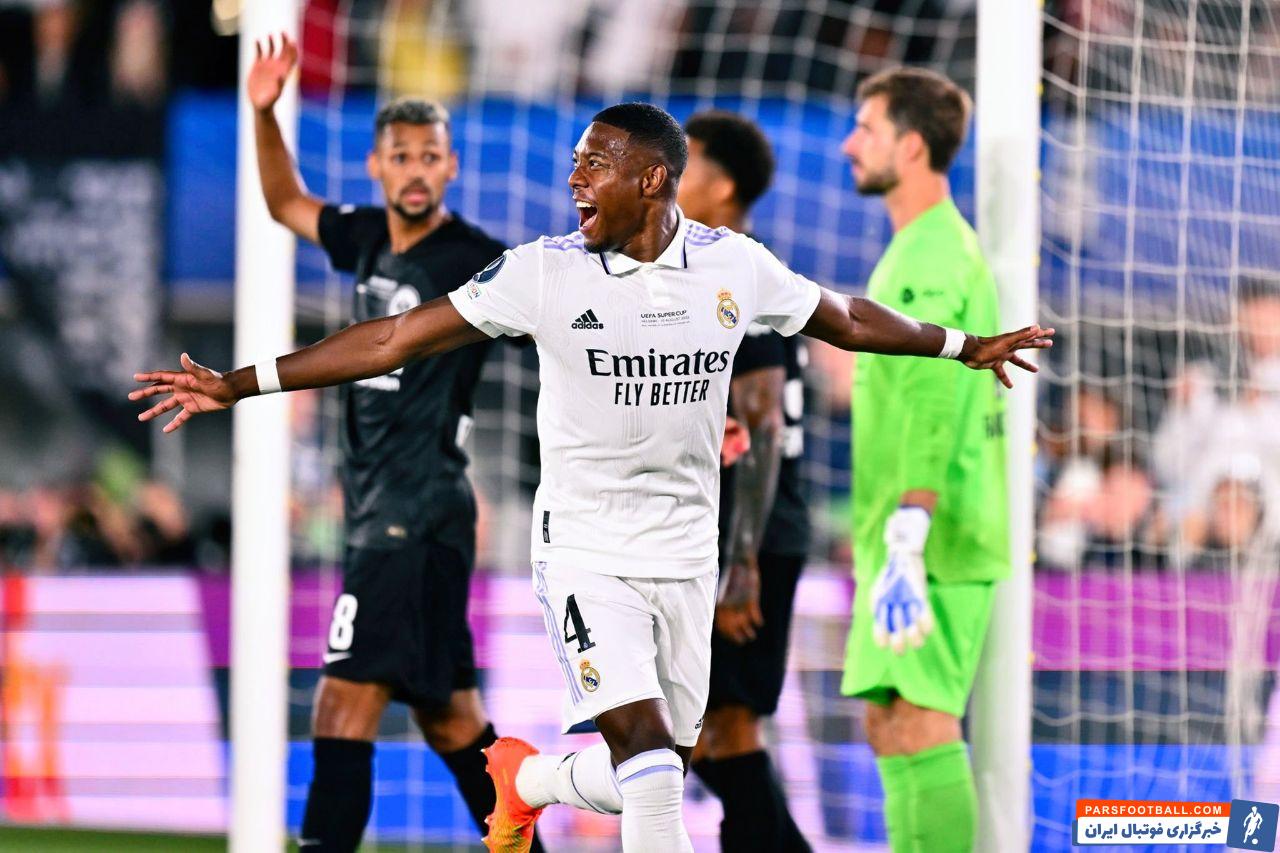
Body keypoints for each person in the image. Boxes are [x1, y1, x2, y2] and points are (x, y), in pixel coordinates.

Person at [130, 101, 1051, 853]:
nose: (574, 179)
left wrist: (964, 345)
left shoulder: (731, 266)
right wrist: (240, 383)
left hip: (685, 555)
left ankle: (527, 777)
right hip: (585, 550)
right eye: (574, 163)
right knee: (649, 765)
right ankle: (532, 779)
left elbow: (844, 316)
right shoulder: (544, 273)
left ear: (652, 180)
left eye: (594, 164)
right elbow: (393, 338)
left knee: (661, 764)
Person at [244, 35, 539, 853]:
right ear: (376, 166)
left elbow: (555, 335)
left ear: (452, 168)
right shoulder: (367, 236)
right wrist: (265, 113)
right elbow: (285, 202)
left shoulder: (478, 262)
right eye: (401, 156)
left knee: (343, 701)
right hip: (399, 514)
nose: (415, 170)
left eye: (430, 157)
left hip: (415, 510)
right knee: (453, 720)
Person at [838, 66, 1014, 852]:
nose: (849, 145)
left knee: (919, 719)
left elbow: (937, 393)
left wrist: (911, 523)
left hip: (929, 532)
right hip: (911, 528)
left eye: (866, 128)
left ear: (910, 146)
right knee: (891, 721)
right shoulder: (921, 247)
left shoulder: (933, 254)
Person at [675, 109, 810, 852]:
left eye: (684, 163)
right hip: (738, 534)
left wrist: (741, 564)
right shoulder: (738, 270)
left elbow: (761, 426)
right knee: (710, 735)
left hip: (748, 539)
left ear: (723, 186)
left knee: (721, 729)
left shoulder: (737, 272)